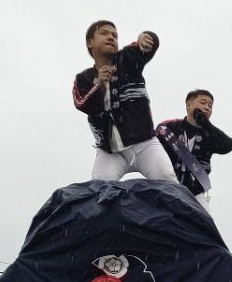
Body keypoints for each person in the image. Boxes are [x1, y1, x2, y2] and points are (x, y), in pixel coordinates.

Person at [73, 20, 178, 183]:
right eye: (104, 33)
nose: (111, 37)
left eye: (114, 35)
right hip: (109, 152)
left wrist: (147, 37)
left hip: (146, 145)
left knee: (169, 183)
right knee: (98, 191)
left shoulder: (127, 58)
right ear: (90, 42)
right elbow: (81, 103)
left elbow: (148, 45)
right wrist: (98, 86)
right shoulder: (84, 78)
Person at [155, 89, 232, 210]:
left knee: (205, 224)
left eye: (210, 106)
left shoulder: (210, 134)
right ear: (188, 105)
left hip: (195, 193)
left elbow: (228, 145)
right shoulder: (168, 127)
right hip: (165, 185)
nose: (207, 108)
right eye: (203, 103)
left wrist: (205, 123)